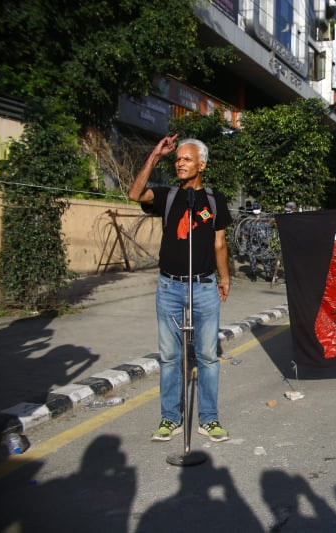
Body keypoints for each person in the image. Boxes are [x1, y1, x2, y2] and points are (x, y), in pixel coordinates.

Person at [129, 135, 233, 442]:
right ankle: (169, 418)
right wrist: (154, 156)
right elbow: (135, 193)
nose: (180, 163)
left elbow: (219, 242)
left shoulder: (214, 201)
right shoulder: (168, 196)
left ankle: (209, 419)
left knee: (207, 356)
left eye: (186, 159)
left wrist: (224, 278)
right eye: (177, 159)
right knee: (170, 356)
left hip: (203, 286)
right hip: (169, 287)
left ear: (201, 164)